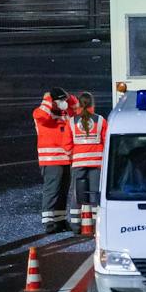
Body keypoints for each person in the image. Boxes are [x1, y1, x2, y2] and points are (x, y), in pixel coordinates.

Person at [33, 88, 78, 231]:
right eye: (59, 100)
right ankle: (48, 222)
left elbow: (77, 111)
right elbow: (42, 116)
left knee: (63, 191)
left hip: (65, 159)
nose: (62, 103)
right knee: (52, 191)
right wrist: (48, 100)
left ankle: (60, 220)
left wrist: (69, 97)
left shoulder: (64, 115)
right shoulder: (41, 113)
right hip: (51, 160)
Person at [67, 92, 106, 221]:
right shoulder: (100, 120)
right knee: (95, 193)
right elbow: (106, 141)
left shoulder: (72, 121)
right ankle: (96, 223)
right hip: (97, 162)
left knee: (77, 193)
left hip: (78, 163)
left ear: (79, 104)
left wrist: (72, 156)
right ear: (92, 104)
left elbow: (66, 144)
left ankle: (76, 224)